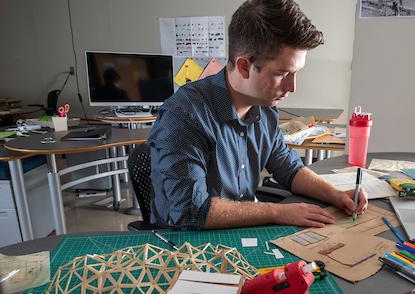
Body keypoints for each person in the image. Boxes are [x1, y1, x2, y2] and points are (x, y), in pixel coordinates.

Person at [149, 0, 368, 230]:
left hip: (241, 230)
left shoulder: (265, 109)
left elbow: (288, 167)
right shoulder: (185, 115)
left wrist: (336, 195)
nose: (292, 87)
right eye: (282, 74)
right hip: (188, 244)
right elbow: (191, 212)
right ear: (244, 66)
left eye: (296, 73)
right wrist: (277, 212)